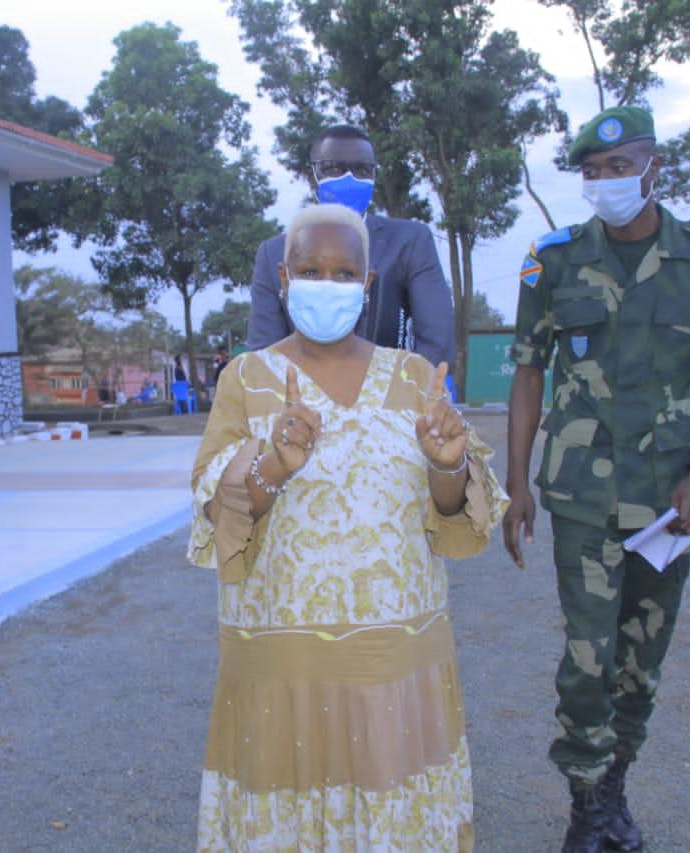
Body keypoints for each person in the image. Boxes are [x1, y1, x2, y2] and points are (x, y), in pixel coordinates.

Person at [190, 204, 506, 851]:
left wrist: (447, 464)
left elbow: (451, 514)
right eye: (310, 270)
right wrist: (275, 464)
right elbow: (221, 516)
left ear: (367, 284)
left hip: (394, 660)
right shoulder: (244, 379)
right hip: (281, 661)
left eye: (343, 273)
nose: (326, 284)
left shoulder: (415, 377)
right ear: (283, 277)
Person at [503, 106, 690, 853]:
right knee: (588, 658)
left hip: (666, 500)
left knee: (640, 662)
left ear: (652, 169)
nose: (604, 180)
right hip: (580, 494)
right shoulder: (552, 261)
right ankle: (584, 804)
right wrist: (516, 484)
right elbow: (527, 373)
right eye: (592, 170)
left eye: (619, 166)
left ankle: (614, 791)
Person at [246, 124, 456, 369]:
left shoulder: (409, 242)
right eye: (334, 168)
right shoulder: (273, 253)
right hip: (296, 390)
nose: (349, 178)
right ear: (311, 176)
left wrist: (409, 388)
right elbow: (264, 352)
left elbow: (436, 338)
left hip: (394, 387)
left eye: (362, 170)